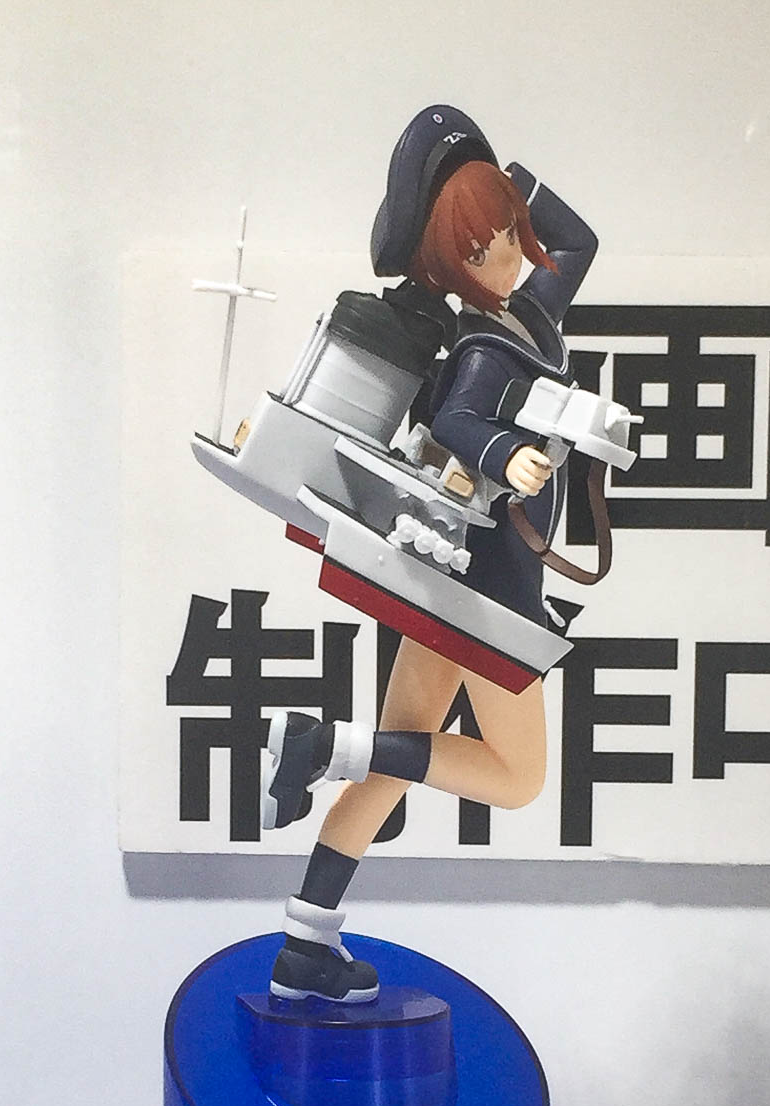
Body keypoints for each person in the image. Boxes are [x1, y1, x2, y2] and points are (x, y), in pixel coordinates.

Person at [266, 109, 598, 1004]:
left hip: (456, 583)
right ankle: (327, 743)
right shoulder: (484, 346)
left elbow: (579, 241)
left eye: (508, 237)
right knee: (518, 779)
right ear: (449, 265)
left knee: (400, 756)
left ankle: (305, 941)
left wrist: (486, 173)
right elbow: (455, 418)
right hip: (492, 590)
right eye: (479, 250)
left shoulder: (531, 312)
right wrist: (505, 455)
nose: (507, 257)